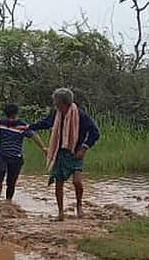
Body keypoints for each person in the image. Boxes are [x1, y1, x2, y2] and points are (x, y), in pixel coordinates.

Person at [29, 88, 100, 220]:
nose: (55, 105)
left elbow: (95, 132)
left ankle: (79, 206)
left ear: (64, 103)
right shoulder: (56, 114)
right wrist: (28, 126)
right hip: (59, 151)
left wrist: (84, 148)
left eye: (56, 102)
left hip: (75, 152)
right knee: (59, 182)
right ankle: (60, 212)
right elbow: (45, 123)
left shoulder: (80, 115)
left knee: (77, 182)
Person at [0, 104, 47, 200]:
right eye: (9, 117)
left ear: (16, 115)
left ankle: (8, 201)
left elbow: (34, 136)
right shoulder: (0, 122)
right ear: (6, 115)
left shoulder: (22, 125)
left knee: (11, 182)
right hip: (2, 155)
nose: (11, 120)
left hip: (16, 157)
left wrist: (43, 148)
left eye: (12, 117)